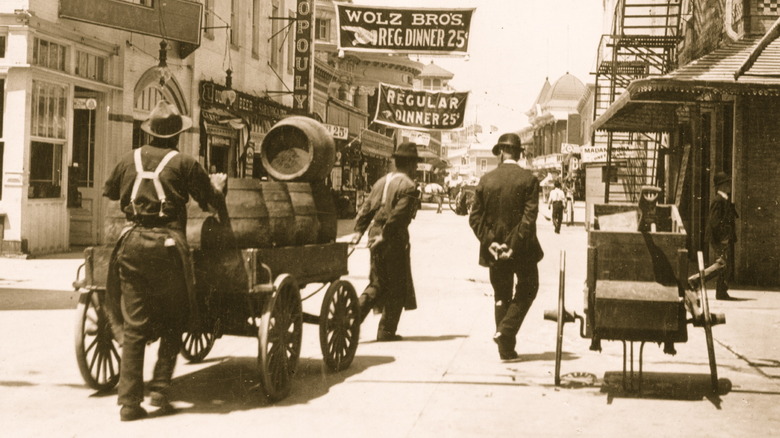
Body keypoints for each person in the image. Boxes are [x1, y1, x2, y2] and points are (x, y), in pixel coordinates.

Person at [103, 100, 227, 421]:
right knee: (175, 318)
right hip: (168, 248)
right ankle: (159, 389)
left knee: (134, 326)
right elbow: (210, 201)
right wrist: (218, 187)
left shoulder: (127, 159)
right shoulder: (185, 163)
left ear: (149, 133)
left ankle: (129, 403)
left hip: (130, 243)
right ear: (177, 135)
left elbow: (110, 193)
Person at [469, 133, 544, 360]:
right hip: (522, 250)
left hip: (493, 250)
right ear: (519, 154)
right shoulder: (529, 180)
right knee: (529, 287)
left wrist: (492, 244)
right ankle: (506, 334)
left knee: (501, 295)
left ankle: (505, 348)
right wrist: (512, 246)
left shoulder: (486, 180)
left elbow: (475, 218)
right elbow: (529, 219)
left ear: (501, 152)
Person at [351, 142, 422, 341]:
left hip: (375, 232)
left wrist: (358, 231)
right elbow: (400, 215)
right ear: (409, 164)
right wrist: (386, 235)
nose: (415, 168)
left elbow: (366, 208)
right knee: (398, 285)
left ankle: (350, 319)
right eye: (415, 164)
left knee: (377, 282)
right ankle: (386, 331)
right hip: (393, 237)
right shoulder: (409, 185)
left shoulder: (381, 181)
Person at [705, 171, 739, 300]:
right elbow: (714, 222)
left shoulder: (724, 200)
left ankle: (722, 291)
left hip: (724, 237)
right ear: (720, 186)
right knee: (722, 264)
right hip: (720, 238)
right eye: (726, 183)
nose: (728, 186)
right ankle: (718, 290)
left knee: (724, 264)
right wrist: (723, 237)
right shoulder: (718, 200)